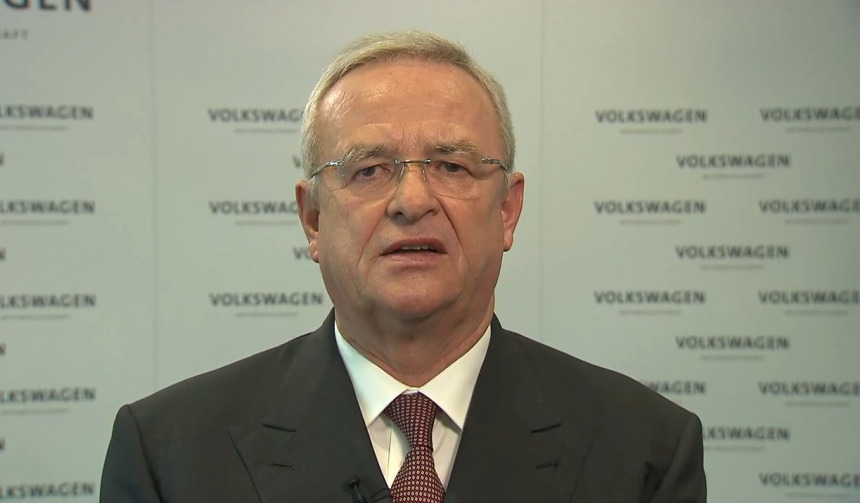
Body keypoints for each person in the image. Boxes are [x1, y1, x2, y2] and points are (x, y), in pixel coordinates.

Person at [100, 31, 706, 502]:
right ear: (313, 218)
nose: (412, 201)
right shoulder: (169, 458)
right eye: (369, 170)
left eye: (452, 167)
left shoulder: (644, 452)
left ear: (507, 210)